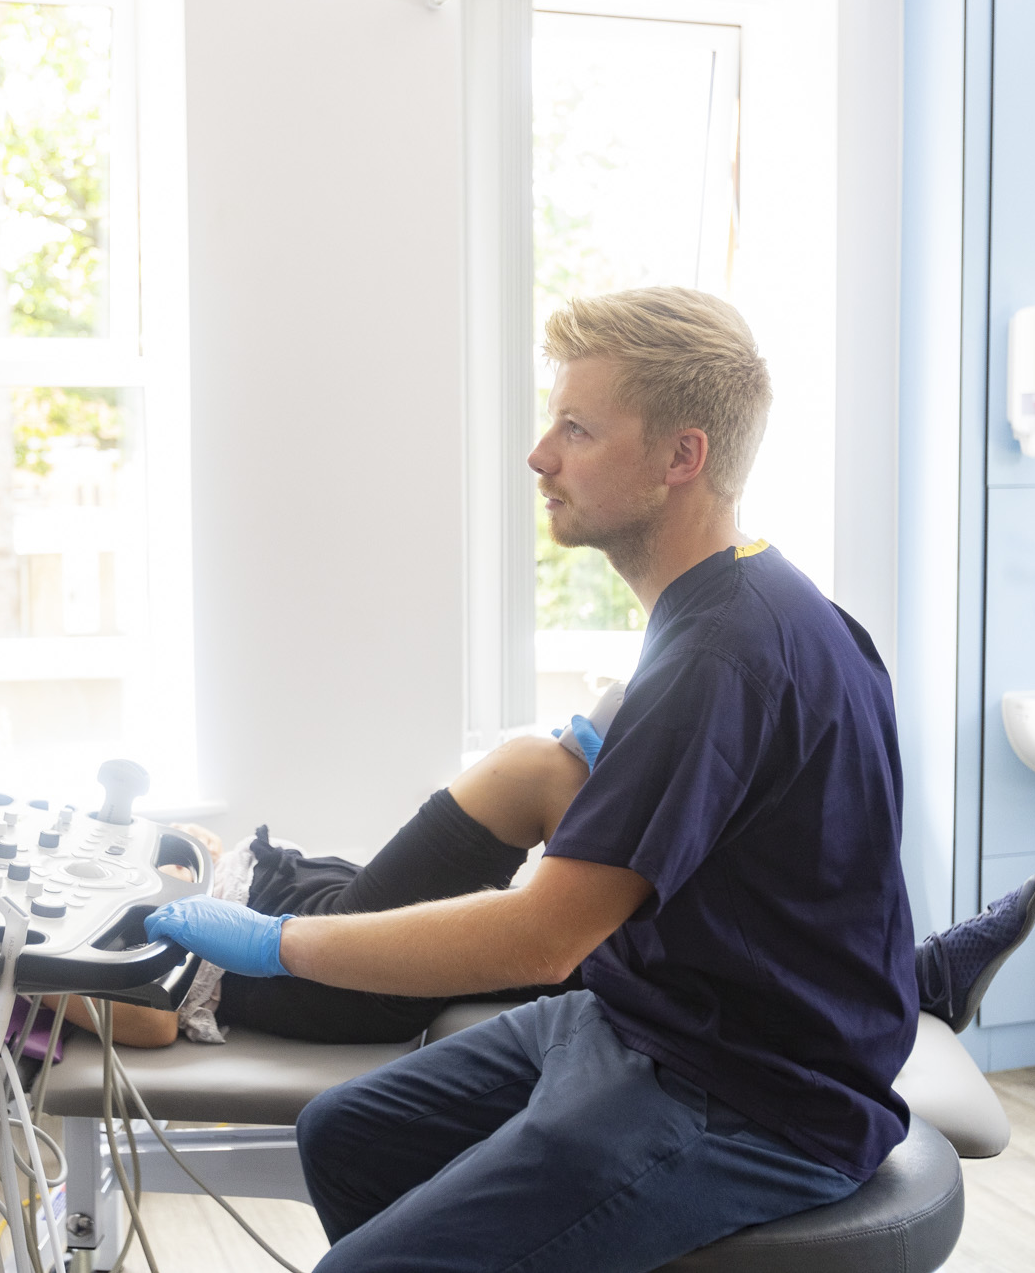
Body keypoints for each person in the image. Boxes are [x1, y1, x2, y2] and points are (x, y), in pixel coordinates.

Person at [142, 286, 976, 1272]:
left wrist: (281, 942)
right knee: (345, 1131)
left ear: (681, 457)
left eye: (575, 429)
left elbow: (540, 936)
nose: (540, 455)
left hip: (748, 1094)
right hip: (644, 1017)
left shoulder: (721, 653)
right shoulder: (742, 602)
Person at [75, 728, 1035, 1049]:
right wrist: (21, 979)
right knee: (538, 770)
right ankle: (902, 978)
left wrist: (178, 862)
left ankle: (904, 980)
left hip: (285, 895)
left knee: (603, 941)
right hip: (302, 965)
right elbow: (146, 1019)